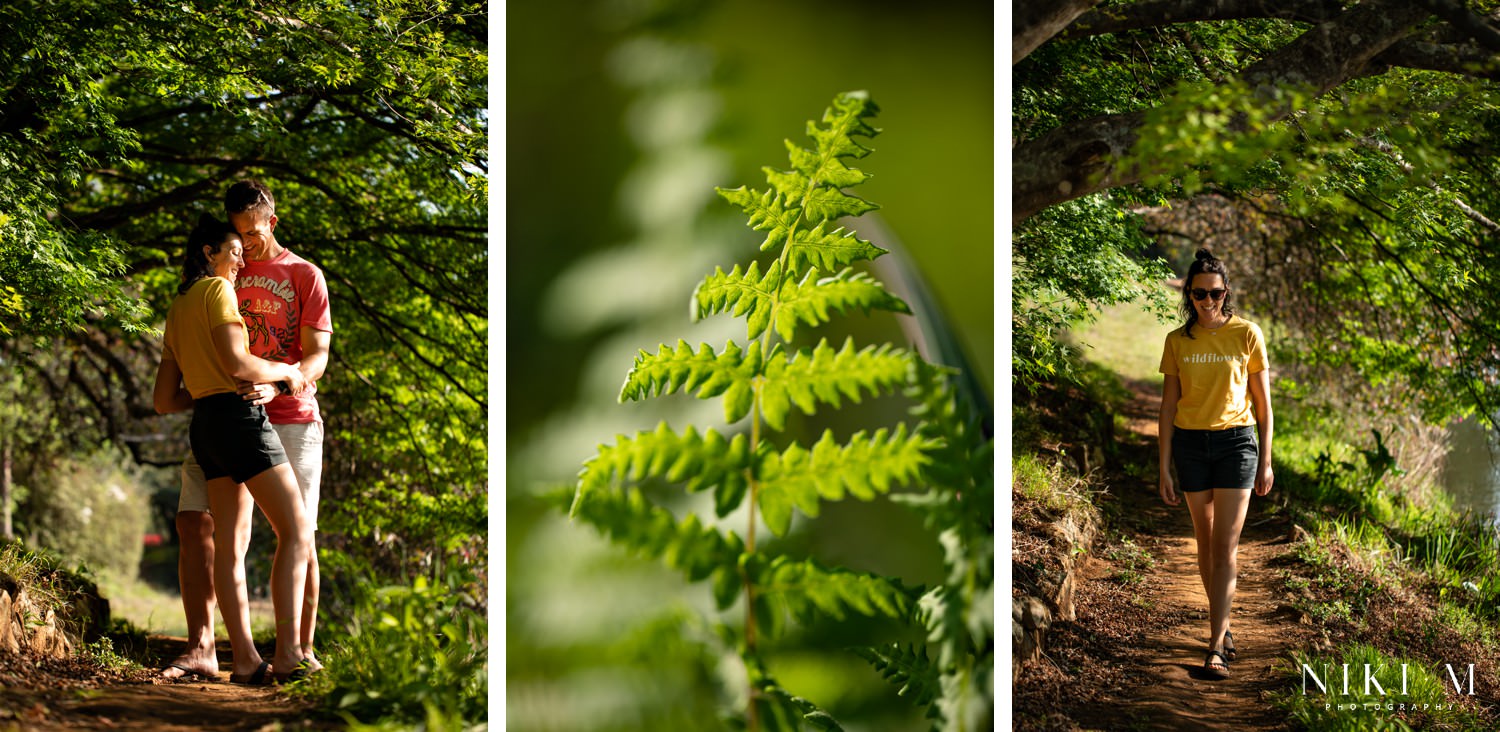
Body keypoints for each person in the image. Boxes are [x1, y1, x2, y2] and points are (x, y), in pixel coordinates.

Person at [160, 180, 333, 681]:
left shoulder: (304, 275)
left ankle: (298, 648)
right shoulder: (223, 273)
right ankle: (238, 656)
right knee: (222, 536)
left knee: (301, 536)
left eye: (252, 236)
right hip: (232, 421)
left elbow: (316, 356)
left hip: (290, 416)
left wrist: (280, 384)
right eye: (237, 238)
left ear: (271, 223)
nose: (247, 248)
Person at [1157, 248, 1274, 680]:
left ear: (1227, 293)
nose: (1209, 302)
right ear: (1189, 294)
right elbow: (1168, 406)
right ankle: (1223, 627)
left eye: (1216, 293)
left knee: (1225, 547)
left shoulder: (1247, 334)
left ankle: (1214, 646)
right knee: (1204, 544)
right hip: (1190, 446)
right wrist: (1163, 466)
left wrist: (1266, 460)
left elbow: (1264, 406)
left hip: (1237, 446)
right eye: (1200, 294)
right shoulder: (1177, 340)